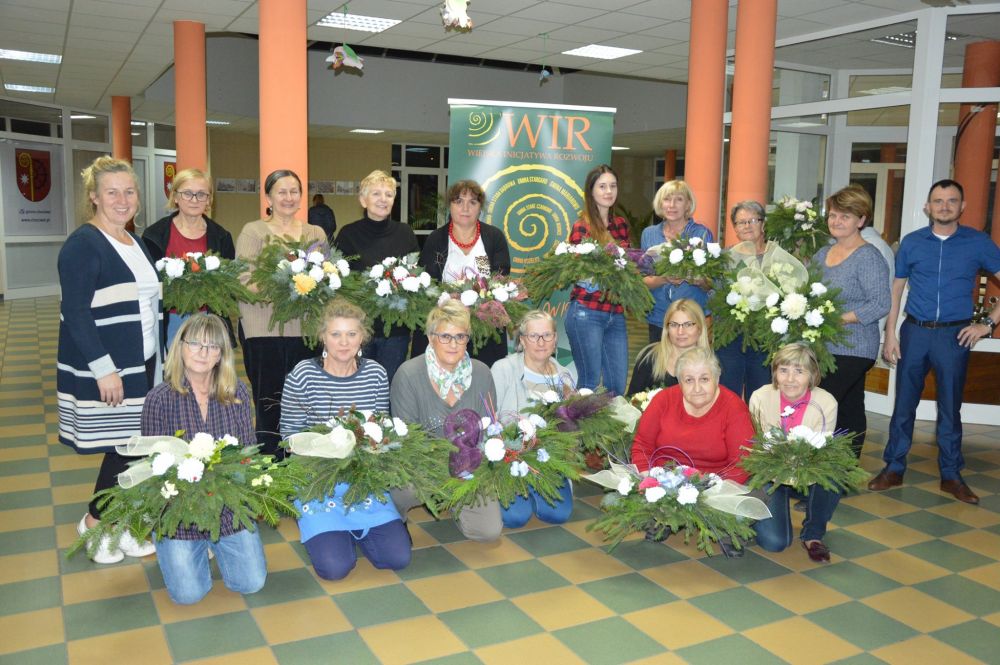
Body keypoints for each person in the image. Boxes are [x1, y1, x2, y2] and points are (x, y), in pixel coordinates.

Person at [869, 179, 1000, 505]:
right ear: (928, 207)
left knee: (950, 408)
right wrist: (890, 333)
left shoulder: (978, 242)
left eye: (951, 200)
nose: (944, 206)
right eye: (938, 201)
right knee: (904, 405)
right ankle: (893, 467)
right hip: (915, 332)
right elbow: (896, 289)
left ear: (962, 206)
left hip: (954, 336)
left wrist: (986, 324)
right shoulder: (912, 243)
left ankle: (952, 474)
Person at [58, 156, 158, 564]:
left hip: (144, 361)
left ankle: (125, 523)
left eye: (129, 191)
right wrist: (104, 369)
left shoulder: (135, 242)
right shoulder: (83, 244)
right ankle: (95, 523)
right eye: (112, 192)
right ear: (94, 197)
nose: (122, 200)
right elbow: (75, 312)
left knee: (137, 448)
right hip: (112, 368)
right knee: (123, 448)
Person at [280, 298, 410, 580]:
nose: (343, 342)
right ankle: (333, 531)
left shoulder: (375, 374)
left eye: (351, 334)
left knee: (397, 558)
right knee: (335, 568)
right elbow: (289, 437)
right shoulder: (303, 375)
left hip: (364, 480)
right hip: (319, 481)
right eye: (335, 334)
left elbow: (381, 428)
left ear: (362, 337)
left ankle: (354, 530)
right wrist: (326, 448)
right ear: (323, 337)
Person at [141, 314, 266, 603]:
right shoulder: (159, 399)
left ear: (221, 354)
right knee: (189, 595)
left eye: (212, 346)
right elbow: (154, 468)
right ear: (180, 347)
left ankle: (213, 543)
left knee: (251, 583)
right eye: (195, 343)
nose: (202, 352)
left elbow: (248, 451)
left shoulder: (236, 392)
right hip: (178, 508)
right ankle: (182, 544)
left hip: (227, 505)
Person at [391, 299, 502, 542]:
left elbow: (489, 429)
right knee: (405, 491)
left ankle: (454, 500)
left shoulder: (482, 373)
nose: (453, 344)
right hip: (421, 466)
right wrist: (445, 467)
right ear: (431, 338)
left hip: (469, 467)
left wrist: (472, 465)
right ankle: (394, 517)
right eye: (445, 336)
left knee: (488, 532)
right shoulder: (408, 374)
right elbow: (406, 441)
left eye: (460, 337)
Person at [236, 169, 328, 456]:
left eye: (294, 191)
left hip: (307, 331)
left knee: (306, 402)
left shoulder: (315, 233)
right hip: (263, 331)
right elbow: (243, 280)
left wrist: (309, 286)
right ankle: (270, 465)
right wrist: (290, 286)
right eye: (281, 192)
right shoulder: (253, 231)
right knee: (269, 402)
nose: (289, 197)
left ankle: (302, 462)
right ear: (268, 198)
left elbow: (327, 276)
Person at [813, 185, 891, 457]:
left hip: (855, 346)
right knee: (848, 406)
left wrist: (838, 319)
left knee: (822, 403)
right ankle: (844, 470)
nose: (836, 221)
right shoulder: (822, 254)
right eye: (833, 215)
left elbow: (880, 303)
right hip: (823, 344)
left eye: (845, 216)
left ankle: (827, 466)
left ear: (861, 220)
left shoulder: (868, 256)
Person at [750, 344, 840, 563]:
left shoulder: (826, 402)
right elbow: (758, 449)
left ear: (812, 375)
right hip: (770, 473)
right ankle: (756, 512)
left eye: (799, 371)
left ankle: (813, 535)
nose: (790, 379)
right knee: (775, 543)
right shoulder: (760, 398)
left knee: (834, 470)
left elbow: (820, 451)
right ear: (775, 373)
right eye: (783, 370)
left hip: (807, 472)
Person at [491, 310, 577, 528]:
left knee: (559, 514)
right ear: (522, 340)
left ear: (555, 339)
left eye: (547, 335)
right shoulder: (503, 369)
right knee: (515, 518)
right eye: (533, 336)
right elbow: (490, 420)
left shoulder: (565, 376)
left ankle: (540, 487)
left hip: (547, 459)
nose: (541, 342)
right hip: (510, 458)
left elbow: (572, 431)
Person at [717, 201, 807, 401]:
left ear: (763, 224)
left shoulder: (780, 256)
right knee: (727, 392)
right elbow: (715, 296)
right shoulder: (725, 258)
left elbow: (794, 292)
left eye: (753, 220)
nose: (747, 226)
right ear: (735, 228)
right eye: (741, 222)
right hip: (731, 336)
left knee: (761, 394)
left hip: (766, 337)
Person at [334, 170, 417, 382]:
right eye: (376, 194)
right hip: (358, 328)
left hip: (395, 330)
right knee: (356, 385)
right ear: (363, 200)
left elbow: (415, 275)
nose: (383, 199)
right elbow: (339, 281)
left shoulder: (405, 233)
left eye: (388, 194)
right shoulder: (348, 234)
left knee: (388, 387)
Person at [418, 180, 512, 367]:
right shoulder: (436, 239)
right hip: (446, 325)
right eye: (459, 201)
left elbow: (500, 278)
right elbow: (428, 283)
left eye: (472, 202)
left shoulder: (494, 237)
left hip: (485, 325)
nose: (465, 208)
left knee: (483, 376)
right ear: (450, 205)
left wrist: (478, 302)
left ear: (480, 207)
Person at [142, 168, 236, 349]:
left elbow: (230, 284)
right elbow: (148, 283)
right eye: (187, 193)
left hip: (210, 320)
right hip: (168, 320)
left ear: (209, 200)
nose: (194, 200)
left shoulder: (221, 237)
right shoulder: (154, 235)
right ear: (175, 197)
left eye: (201, 194)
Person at [632, 347, 753, 483]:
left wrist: (710, 488)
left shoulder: (734, 409)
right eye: (689, 380)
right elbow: (642, 446)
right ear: (680, 382)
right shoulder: (663, 400)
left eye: (704, 379)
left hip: (716, 485)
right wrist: (648, 479)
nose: (697, 388)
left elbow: (742, 464)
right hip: (660, 481)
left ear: (717, 379)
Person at [565, 164, 632, 396]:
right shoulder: (582, 227)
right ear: (591, 191)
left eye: (613, 186)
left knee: (617, 386)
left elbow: (627, 266)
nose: (608, 191)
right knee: (589, 384)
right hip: (586, 312)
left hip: (616, 312)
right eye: (602, 186)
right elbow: (577, 271)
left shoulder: (620, 225)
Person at [640, 181, 715, 343]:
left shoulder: (701, 233)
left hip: (692, 318)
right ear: (660, 203)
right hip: (659, 317)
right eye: (667, 199)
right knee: (660, 360)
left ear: (688, 204)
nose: (672, 205)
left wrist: (699, 280)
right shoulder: (649, 234)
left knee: (691, 360)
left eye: (679, 199)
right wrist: (664, 279)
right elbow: (642, 280)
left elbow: (712, 283)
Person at [628, 298, 710, 395]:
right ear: (667, 328)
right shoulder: (649, 357)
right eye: (674, 325)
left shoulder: (711, 364)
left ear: (700, 328)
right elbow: (632, 400)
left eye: (688, 325)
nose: (680, 332)